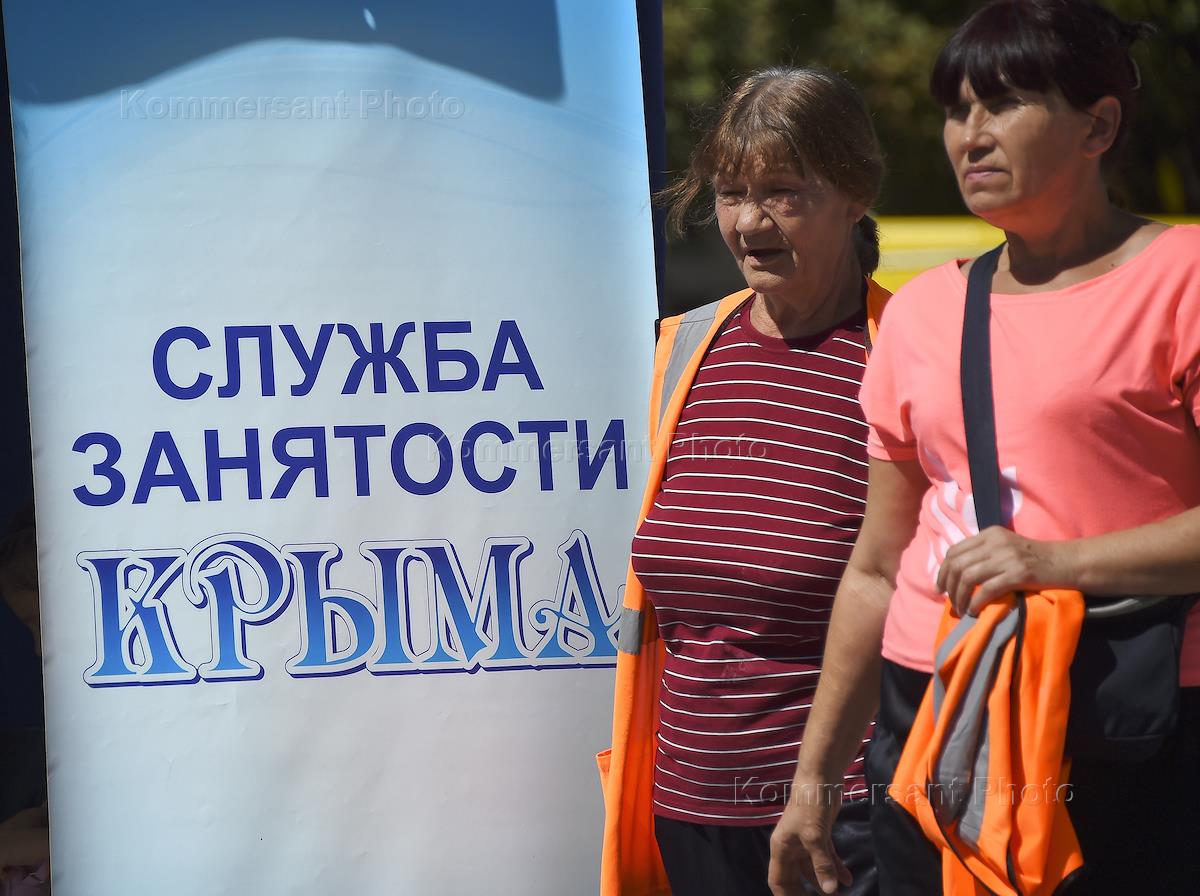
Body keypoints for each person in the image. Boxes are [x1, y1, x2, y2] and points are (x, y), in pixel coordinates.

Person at [767, 2, 1200, 894]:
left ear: (1099, 126)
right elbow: (878, 566)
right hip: (931, 711)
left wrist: (1052, 561)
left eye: (1002, 103)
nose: (971, 134)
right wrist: (813, 784)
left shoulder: (1181, 278)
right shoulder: (924, 309)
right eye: (956, 109)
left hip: (1126, 715)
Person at [598, 66, 890, 896]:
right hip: (686, 811)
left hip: (846, 820)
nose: (750, 222)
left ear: (855, 195)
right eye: (731, 193)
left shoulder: (904, 354)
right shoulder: (687, 347)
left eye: (783, 192)